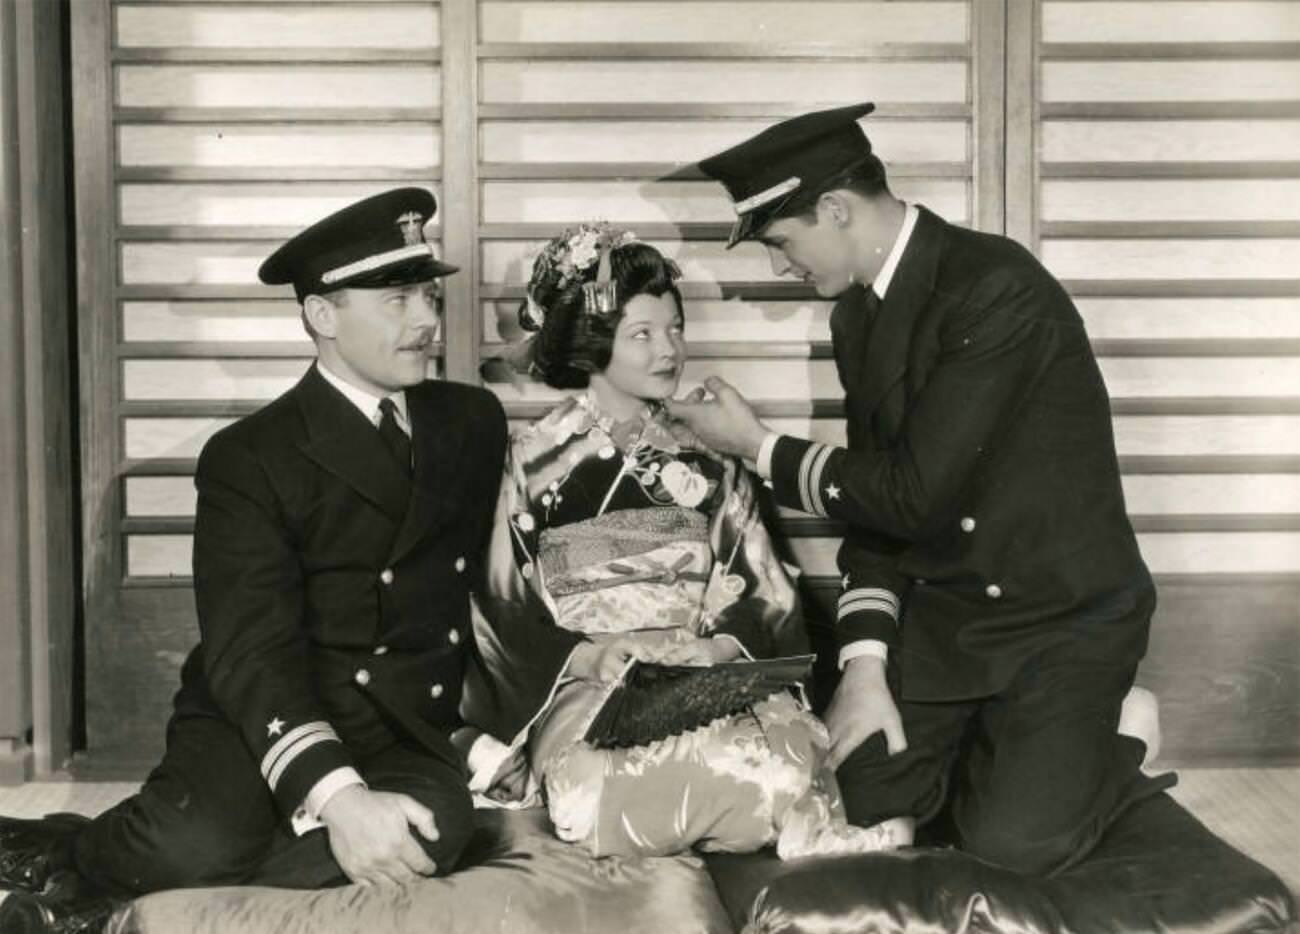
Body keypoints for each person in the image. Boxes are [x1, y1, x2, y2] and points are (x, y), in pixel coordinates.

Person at [0, 188, 575, 933]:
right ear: (322, 316)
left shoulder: (469, 421)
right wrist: (337, 797)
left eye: (428, 297)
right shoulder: (250, 456)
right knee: (194, 844)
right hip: (266, 712)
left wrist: (572, 666)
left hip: (399, 720)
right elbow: (251, 650)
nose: (429, 322)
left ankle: (111, 881)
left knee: (423, 841)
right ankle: (76, 857)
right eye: (398, 300)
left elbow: (492, 585)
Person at [668, 103, 1174, 876]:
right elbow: (876, 509)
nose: (779, 267)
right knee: (858, 799)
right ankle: (1014, 751)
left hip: (1061, 620)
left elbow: (913, 495)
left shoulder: (995, 287)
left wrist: (758, 447)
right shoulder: (857, 321)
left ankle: (1119, 732)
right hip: (955, 619)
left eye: (780, 242)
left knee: (1011, 845)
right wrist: (866, 662)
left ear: (834, 210)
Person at [458, 224, 908, 860]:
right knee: (589, 792)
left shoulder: (711, 460)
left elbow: (761, 585)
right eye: (642, 334)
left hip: (703, 671)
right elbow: (499, 603)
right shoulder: (532, 463)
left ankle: (794, 823)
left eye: (675, 328)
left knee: (783, 757)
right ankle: (778, 823)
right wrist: (585, 658)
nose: (668, 349)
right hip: (593, 682)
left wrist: (720, 645)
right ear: (594, 343)